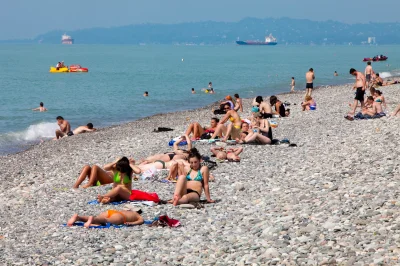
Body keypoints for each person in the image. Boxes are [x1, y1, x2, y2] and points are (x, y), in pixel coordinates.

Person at [73, 157, 140, 188]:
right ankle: (76, 186)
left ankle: (89, 184)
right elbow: (105, 167)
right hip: (100, 178)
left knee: (95, 167)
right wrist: (115, 161)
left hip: (109, 179)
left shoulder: (128, 169)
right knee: (87, 167)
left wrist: (130, 164)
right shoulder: (115, 167)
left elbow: (138, 171)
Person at [67, 210, 144, 228]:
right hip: (120, 217)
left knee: (99, 219)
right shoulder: (137, 215)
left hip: (111, 211)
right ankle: (92, 219)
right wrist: (132, 223)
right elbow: (141, 221)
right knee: (106, 220)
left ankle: (79, 217)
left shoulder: (128, 211)